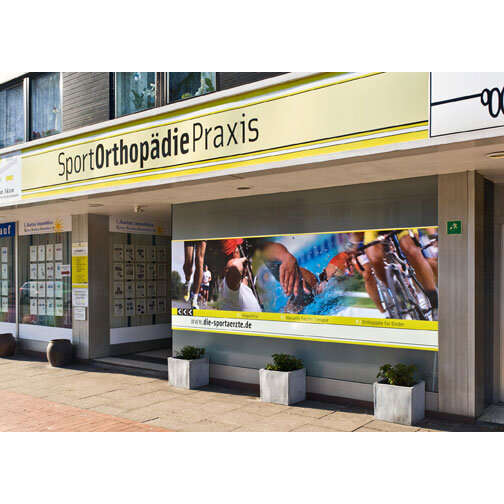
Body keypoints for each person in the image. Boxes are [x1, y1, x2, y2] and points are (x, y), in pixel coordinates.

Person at [183, 240, 207, 309]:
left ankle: (194, 298)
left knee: (199, 261)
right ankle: (188, 282)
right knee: (188, 262)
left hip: (203, 233)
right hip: (190, 233)